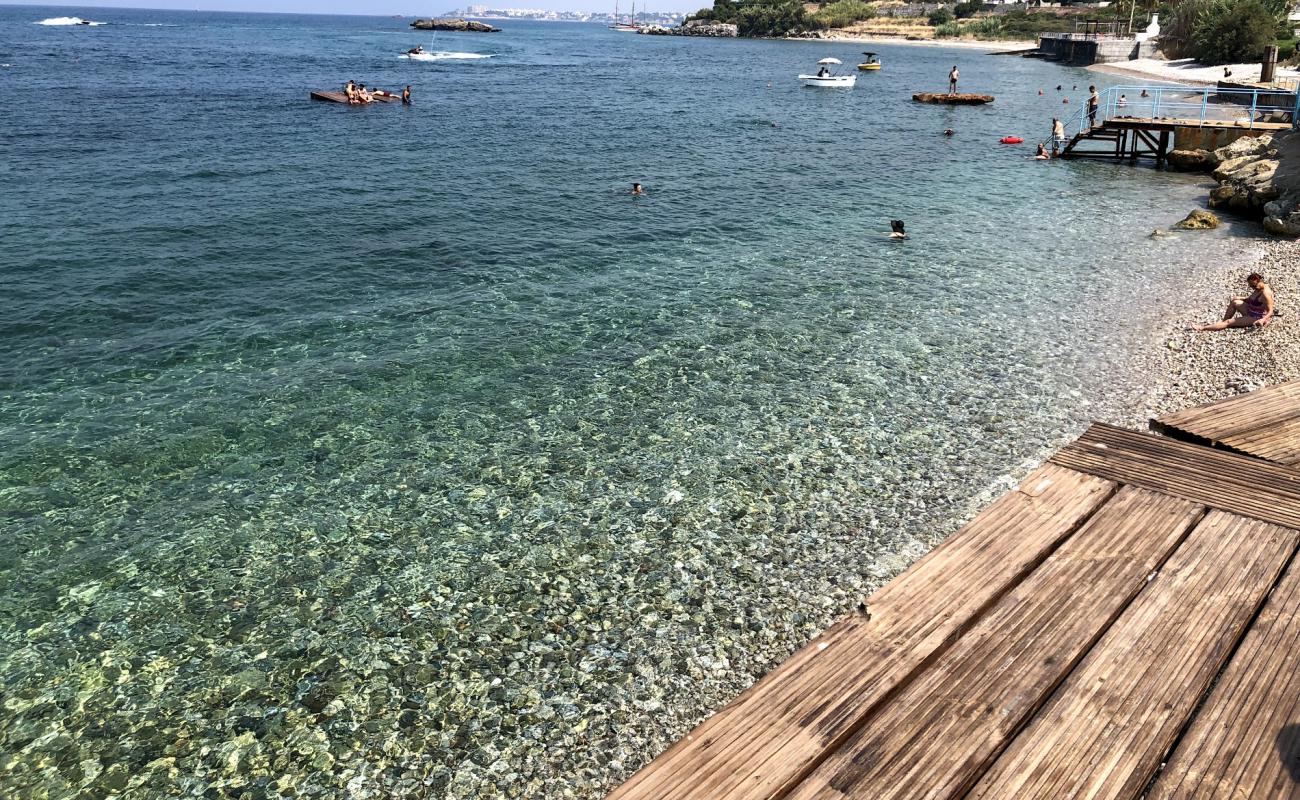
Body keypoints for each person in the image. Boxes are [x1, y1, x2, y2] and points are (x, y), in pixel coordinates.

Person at [1193, 273, 1276, 330]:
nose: (1252, 288)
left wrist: (1262, 320)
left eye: (1253, 285)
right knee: (1235, 302)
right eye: (1250, 286)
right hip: (1251, 310)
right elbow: (1252, 299)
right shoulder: (1258, 288)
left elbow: (1270, 311)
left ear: (1259, 281)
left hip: (1256, 317)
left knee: (1229, 322)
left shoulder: (1265, 294)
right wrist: (1241, 298)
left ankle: (1202, 328)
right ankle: (1222, 322)